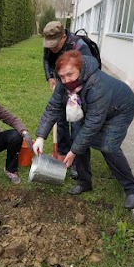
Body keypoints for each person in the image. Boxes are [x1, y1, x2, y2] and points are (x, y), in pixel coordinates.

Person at [32, 50, 134, 210]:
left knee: (108, 146)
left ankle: (132, 189)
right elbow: (53, 107)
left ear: (80, 69)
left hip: (119, 108)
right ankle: (84, 182)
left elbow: (93, 123)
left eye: (70, 74)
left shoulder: (97, 85)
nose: (66, 80)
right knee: (78, 138)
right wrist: (41, 137)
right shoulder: (63, 84)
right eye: (62, 76)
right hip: (87, 106)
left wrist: (74, 151)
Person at [42, 21, 94, 180]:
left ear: (64, 37)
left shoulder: (79, 46)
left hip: (79, 88)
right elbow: (46, 59)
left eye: (55, 45)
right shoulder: (50, 43)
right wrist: (50, 77)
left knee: (78, 123)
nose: (51, 48)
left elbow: (88, 71)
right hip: (62, 85)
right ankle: (63, 154)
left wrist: (72, 90)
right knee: (60, 119)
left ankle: (79, 162)